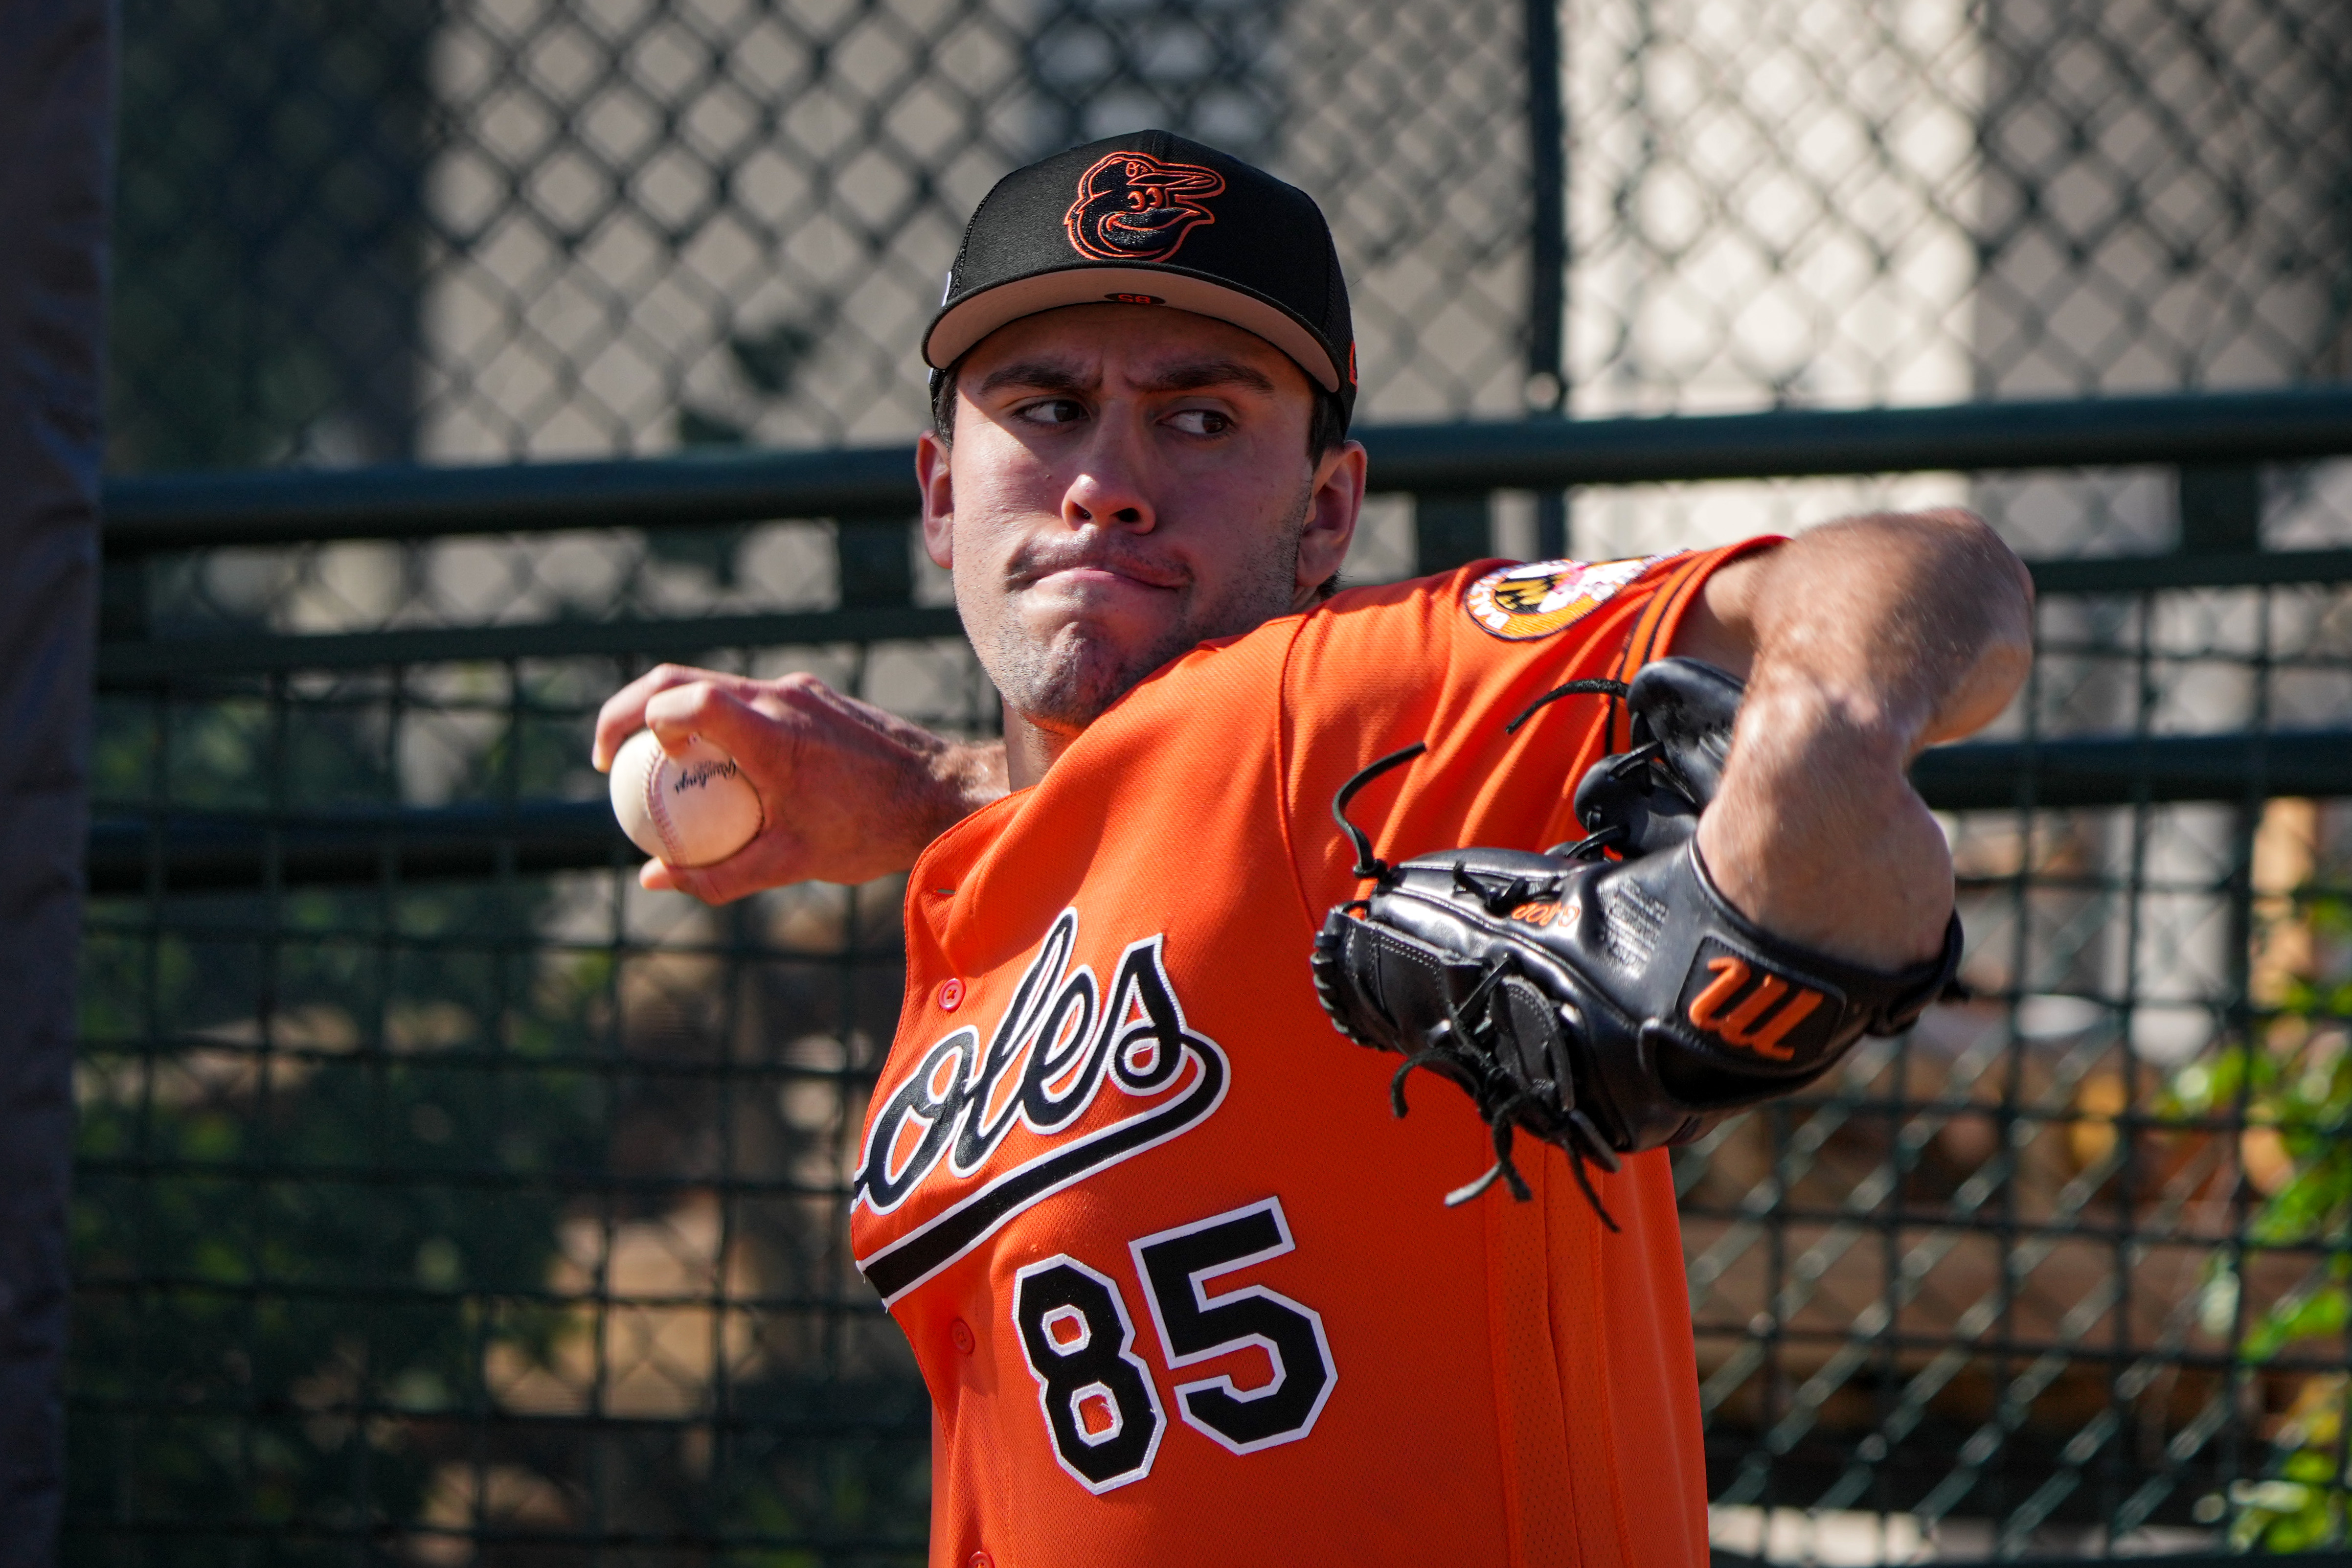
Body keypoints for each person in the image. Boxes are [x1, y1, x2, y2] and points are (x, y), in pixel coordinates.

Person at [594, 131, 2032, 1568]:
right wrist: (938, 791)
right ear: (941, 491)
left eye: (1201, 419)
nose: (1108, 481)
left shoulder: (1334, 715)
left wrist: (1821, 743)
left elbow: (1932, 571)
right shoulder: (975, 893)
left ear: (1330, 509)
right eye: (1044, 407)